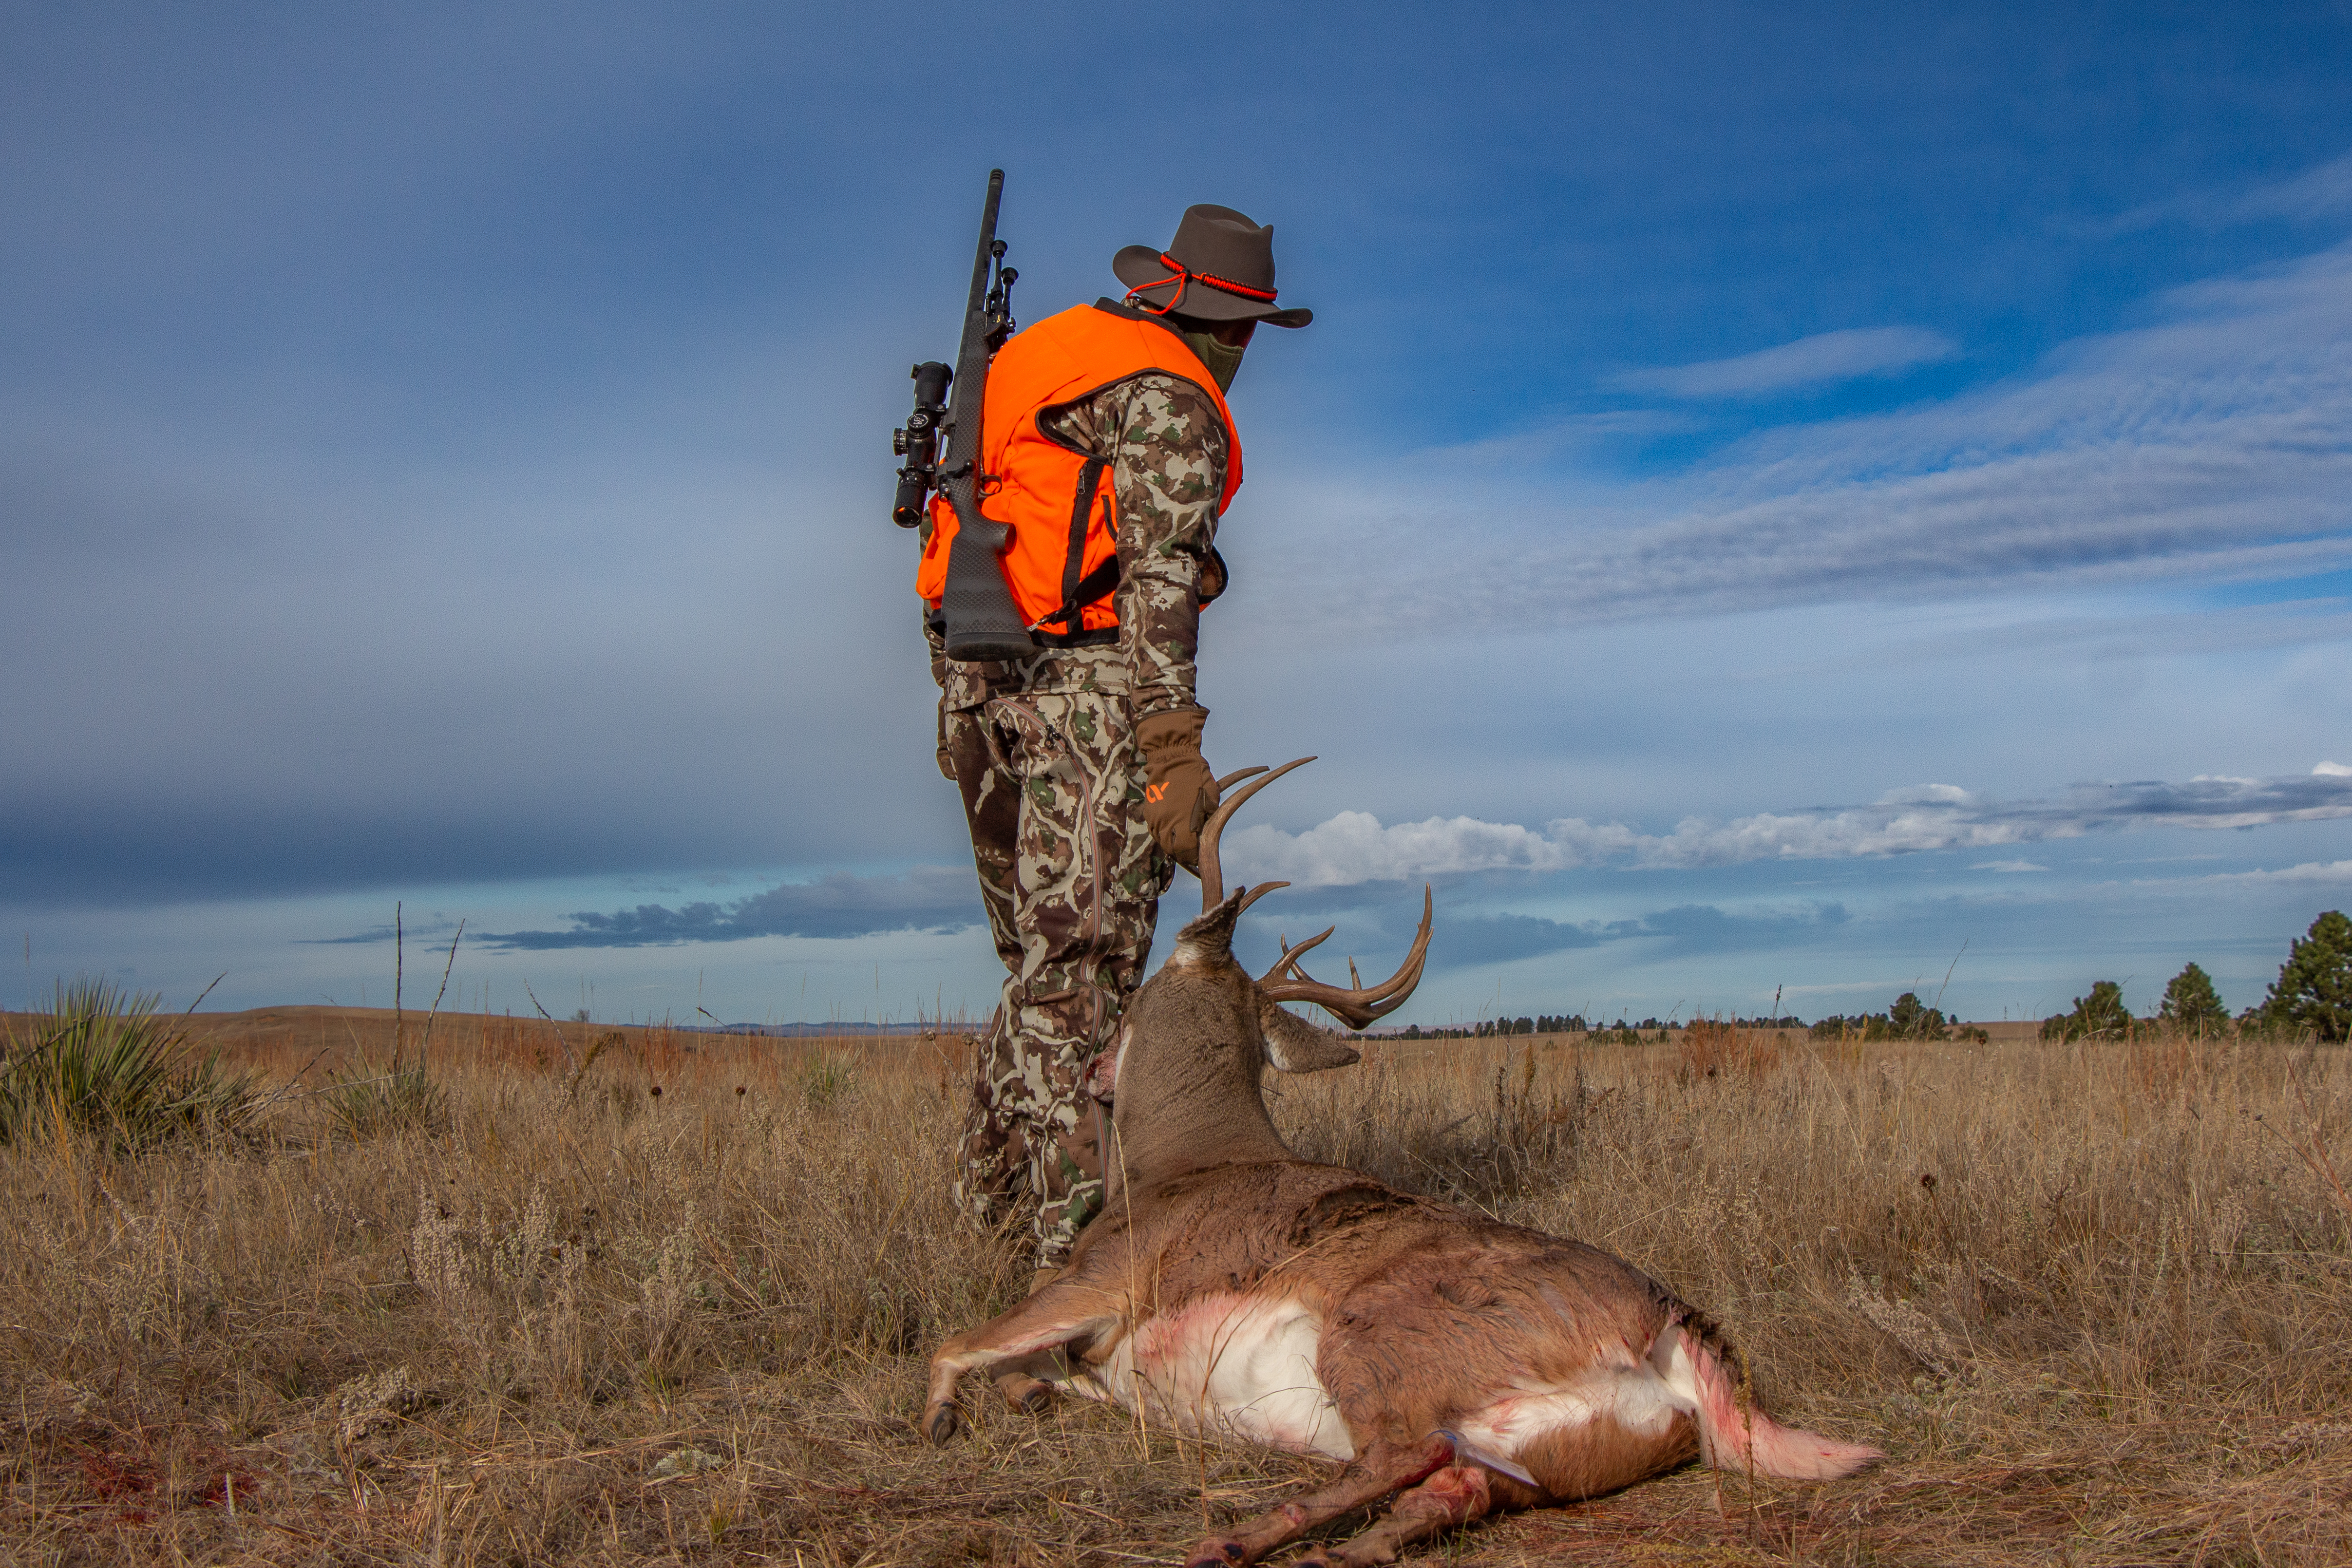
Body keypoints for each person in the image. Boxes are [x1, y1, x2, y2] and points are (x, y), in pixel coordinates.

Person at [917, 204, 1312, 1286]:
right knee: (1082, 985)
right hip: (1086, 698)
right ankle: (1070, 1275)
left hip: (976, 689)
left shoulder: (1042, 355)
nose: (1239, 356)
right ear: (1221, 324)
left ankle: (988, 1219)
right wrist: (1168, 749)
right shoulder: (1171, 394)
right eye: (1242, 333)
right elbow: (1157, 582)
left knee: (1036, 975)